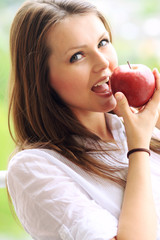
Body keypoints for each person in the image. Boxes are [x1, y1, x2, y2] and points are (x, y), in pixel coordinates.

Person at [6, 0, 160, 239]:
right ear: (43, 79)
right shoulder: (34, 168)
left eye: (103, 43)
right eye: (77, 56)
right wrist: (138, 148)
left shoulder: (141, 126)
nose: (103, 63)